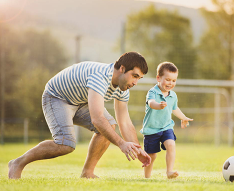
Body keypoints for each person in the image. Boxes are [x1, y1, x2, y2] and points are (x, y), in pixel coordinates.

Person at [8, 52, 151, 179]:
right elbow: (97, 119)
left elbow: (124, 122)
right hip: (57, 97)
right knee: (65, 144)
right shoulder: (100, 77)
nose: (135, 82)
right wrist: (121, 144)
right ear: (122, 69)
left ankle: (87, 173)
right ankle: (18, 163)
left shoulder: (123, 88)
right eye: (135, 76)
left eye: (139, 78)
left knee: (109, 125)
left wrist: (137, 149)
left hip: (80, 101)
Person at [140, 62, 193, 179]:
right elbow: (151, 103)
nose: (171, 83)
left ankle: (169, 172)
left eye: (174, 81)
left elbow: (175, 108)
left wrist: (183, 117)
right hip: (151, 129)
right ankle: (147, 177)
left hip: (166, 127)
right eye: (168, 79)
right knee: (151, 156)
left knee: (171, 144)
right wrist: (159, 105)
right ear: (158, 78)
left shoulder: (173, 95)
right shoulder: (152, 92)